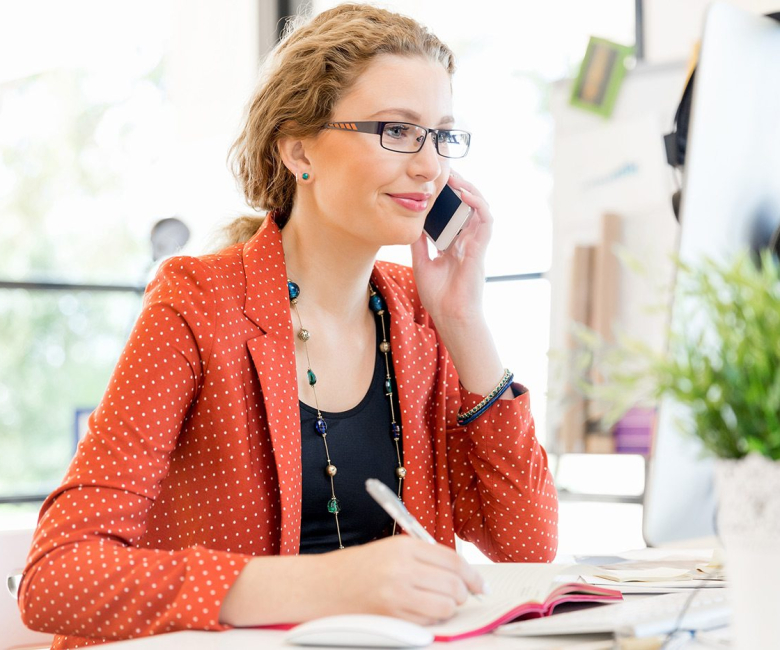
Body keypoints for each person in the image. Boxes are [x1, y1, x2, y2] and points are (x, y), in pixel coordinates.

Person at [18, 4, 558, 648]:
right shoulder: (197, 302)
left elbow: (529, 546)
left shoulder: (423, 316)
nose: (428, 166)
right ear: (299, 149)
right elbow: (55, 576)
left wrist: (466, 321)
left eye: (441, 135)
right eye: (396, 130)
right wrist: (332, 583)